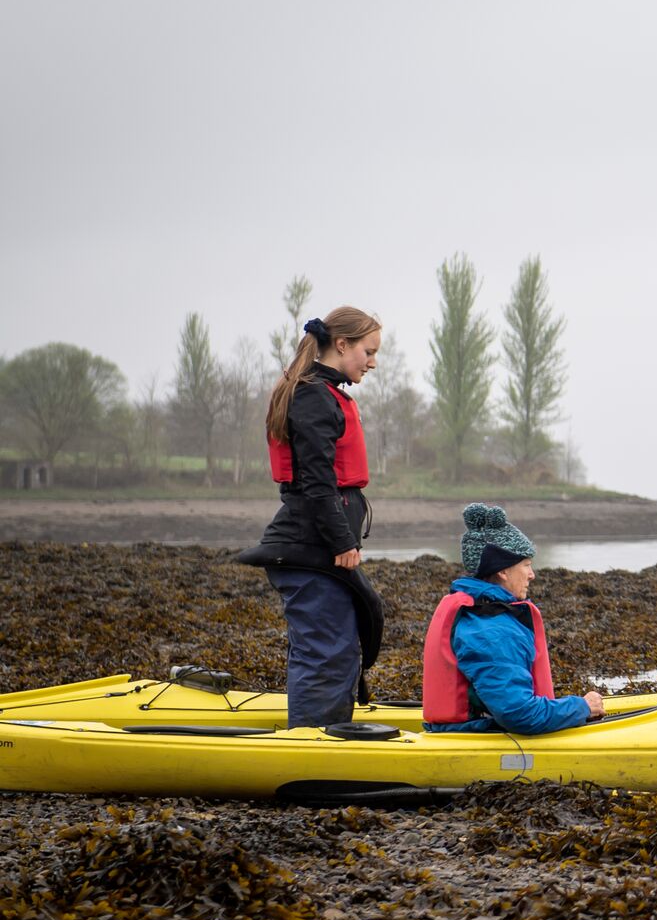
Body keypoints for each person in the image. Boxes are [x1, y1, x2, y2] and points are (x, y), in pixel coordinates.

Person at [233, 307, 386, 729]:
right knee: (326, 651)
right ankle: (314, 745)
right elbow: (316, 481)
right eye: (368, 352)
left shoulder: (320, 392)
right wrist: (343, 542)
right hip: (311, 547)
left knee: (338, 644)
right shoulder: (313, 396)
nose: (372, 362)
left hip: (315, 545)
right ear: (342, 345)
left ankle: (326, 731)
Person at [422, 503, 607, 734]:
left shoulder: (482, 612)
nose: (532, 574)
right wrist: (582, 707)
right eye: (526, 565)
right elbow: (519, 714)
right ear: (503, 571)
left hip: (466, 729)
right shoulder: (491, 630)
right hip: (477, 737)